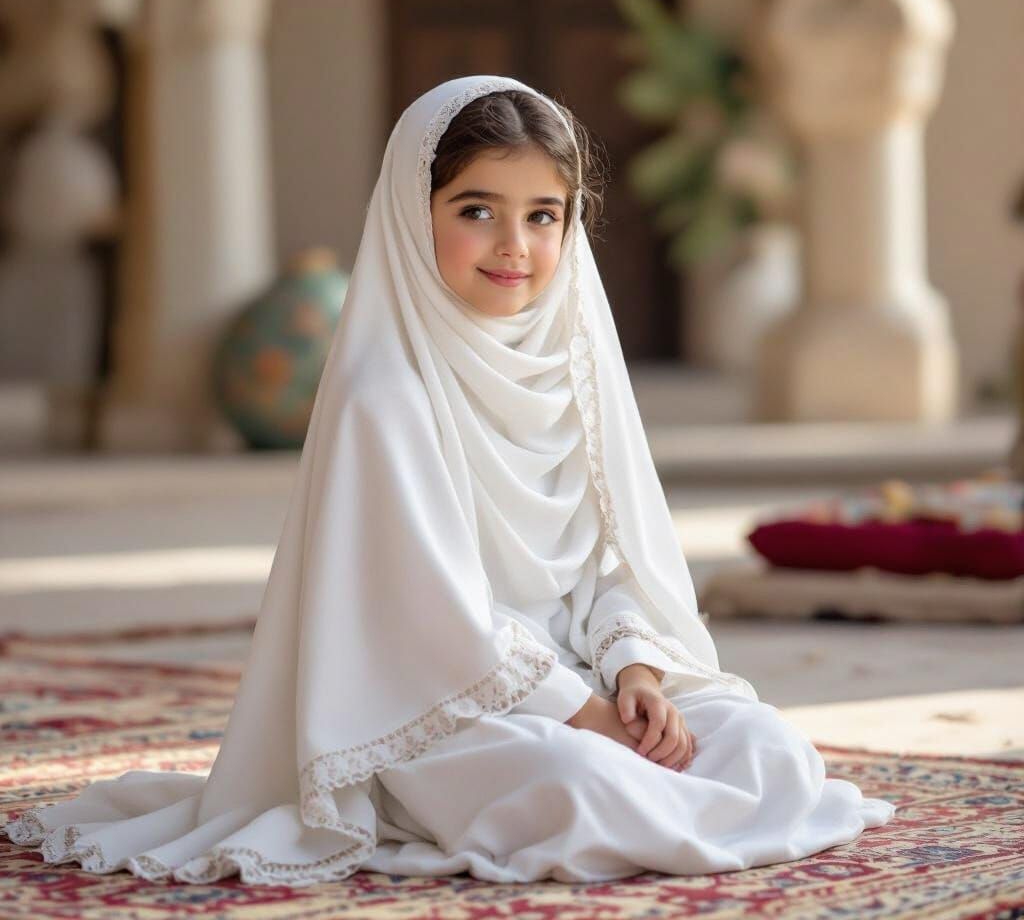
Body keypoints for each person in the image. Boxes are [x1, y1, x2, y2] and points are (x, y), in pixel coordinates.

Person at [3, 75, 897, 886]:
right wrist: (582, 713)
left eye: (544, 214)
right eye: (477, 210)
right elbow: (432, 621)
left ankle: (652, 773)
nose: (515, 245)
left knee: (770, 748)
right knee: (581, 786)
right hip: (440, 709)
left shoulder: (572, 365)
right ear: (412, 210)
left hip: (589, 679)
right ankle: (612, 789)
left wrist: (636, 673)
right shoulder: (382, 394)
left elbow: (618, 555)